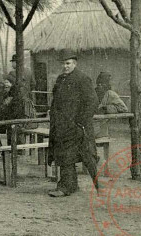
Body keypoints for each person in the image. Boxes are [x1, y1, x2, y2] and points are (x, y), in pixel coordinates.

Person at [47, 50, 100, 197]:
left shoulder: (82, 79)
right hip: (61, 125)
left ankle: (66, 187)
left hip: (75, 126)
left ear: (75, 64)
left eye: (68, 63)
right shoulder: (60, 79)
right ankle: (71, 185)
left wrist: (80, 121)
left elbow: (92, 101)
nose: (65, 66)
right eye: (63, 63)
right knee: (64, 155)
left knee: (72, 155)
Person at [94, 72, 127, 139]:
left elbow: (123, 108)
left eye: (103, 83)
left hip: (101, 129)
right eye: (99, 83)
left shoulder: (110, 94)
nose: (100, 85)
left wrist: (106, 108)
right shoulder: (93, 92)